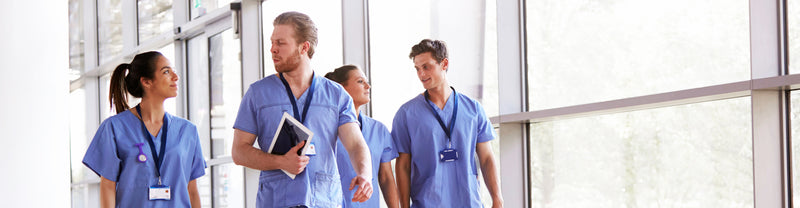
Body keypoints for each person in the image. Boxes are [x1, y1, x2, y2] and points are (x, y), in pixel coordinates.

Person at [231, 11, 373, 208]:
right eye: (272, 43)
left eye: (280, 43)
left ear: (304, 47)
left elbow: (356, 144)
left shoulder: (336, 95)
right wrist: (281, 162)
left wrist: (365, 174)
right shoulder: (258, 94)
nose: (272, 49)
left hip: (323, 200)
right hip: (277, 201)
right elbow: (239, 152)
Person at [82, 51, 206, 208]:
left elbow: (192, 190)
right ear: (146, 82)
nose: (176, 77)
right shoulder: (114, 128)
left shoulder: (188, 131)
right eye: (166, 72)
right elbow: (107, 187)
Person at [392, 39, 504, 208]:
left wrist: (497, 198)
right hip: (427, 203)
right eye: (417, 68)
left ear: (444, 64)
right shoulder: (406, 114)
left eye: (426, 66)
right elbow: (403, 166)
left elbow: (486, 157)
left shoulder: (473, 109)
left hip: (469, 202)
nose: (421, 74)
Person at [325, 65, 400, 208]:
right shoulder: (326, 129)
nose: (368, 86)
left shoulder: (379, 130)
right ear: (341, 88)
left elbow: (386, 179)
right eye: (360, 81)